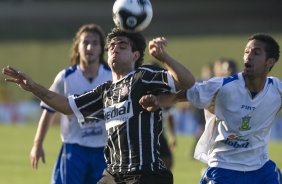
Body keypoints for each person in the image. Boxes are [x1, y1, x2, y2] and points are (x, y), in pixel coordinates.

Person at [2, 27, 195, 183]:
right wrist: (33, 87)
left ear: (135, 55)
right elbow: (66, 106)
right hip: (114, 173)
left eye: (122, 46)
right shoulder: (105, 92)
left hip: (146, 174)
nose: (114, 49)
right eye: (111, 46)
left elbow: (187, 82)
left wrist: (164, 57)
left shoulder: (143, 77)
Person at [139, 33, 282, 184]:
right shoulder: (223, 86)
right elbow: (182, 94)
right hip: (223, 168)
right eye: (246, 51)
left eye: (256, 52)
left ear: (270, 62)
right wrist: (157, 100)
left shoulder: (277, 90)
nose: (249, 56)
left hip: (260, 169)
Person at [29, 24, 112, 184]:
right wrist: (37, 144)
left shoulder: (112, 76)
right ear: (77, 47)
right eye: (85, 42)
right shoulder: (65, 78)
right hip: (74, 151)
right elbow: (48, 111)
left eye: (95, 43)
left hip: (105, 152)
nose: (90, 47)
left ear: (102, 48)